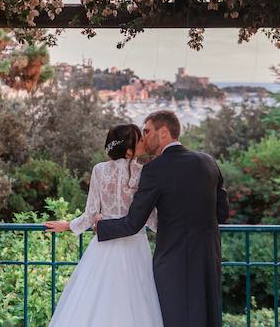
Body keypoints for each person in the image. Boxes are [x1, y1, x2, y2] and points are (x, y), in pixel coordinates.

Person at [96, 110, 229, 327]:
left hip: (172, 263)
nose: (143, 137)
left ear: (164, 132)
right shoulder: (208, 162)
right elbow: (222, 213)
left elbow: (133, 223)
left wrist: (101, 227)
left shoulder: (153, 170)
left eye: (147, 131)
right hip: (208, 259)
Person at [43, 124, 162, 327]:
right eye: (139, 139)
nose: (143, 140)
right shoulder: (143, 173)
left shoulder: (99, 170)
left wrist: (69, 225)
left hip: (104, 245)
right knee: (135, 300)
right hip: (135, 245)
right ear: (129, 150)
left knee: (96, 298)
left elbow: (90, 214)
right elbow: (150, 219)